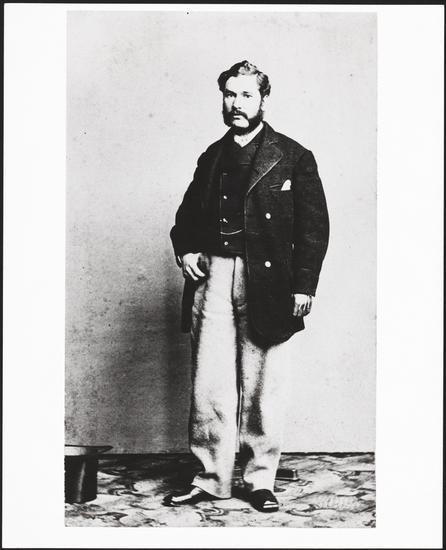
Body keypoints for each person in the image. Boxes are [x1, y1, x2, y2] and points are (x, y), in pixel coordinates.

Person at [165, 60, 329, 512]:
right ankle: (211, 479)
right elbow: (186, 219)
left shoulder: (293, 156)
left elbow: (314, 229)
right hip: (213, 277)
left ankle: (260, 480)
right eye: (229, 94)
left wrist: (304, 286)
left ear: (263, 100)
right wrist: (187, 251)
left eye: (246, 95)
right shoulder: (211, 156)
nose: (236, 104)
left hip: (269, 281)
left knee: (263, 386)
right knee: (209, 385)